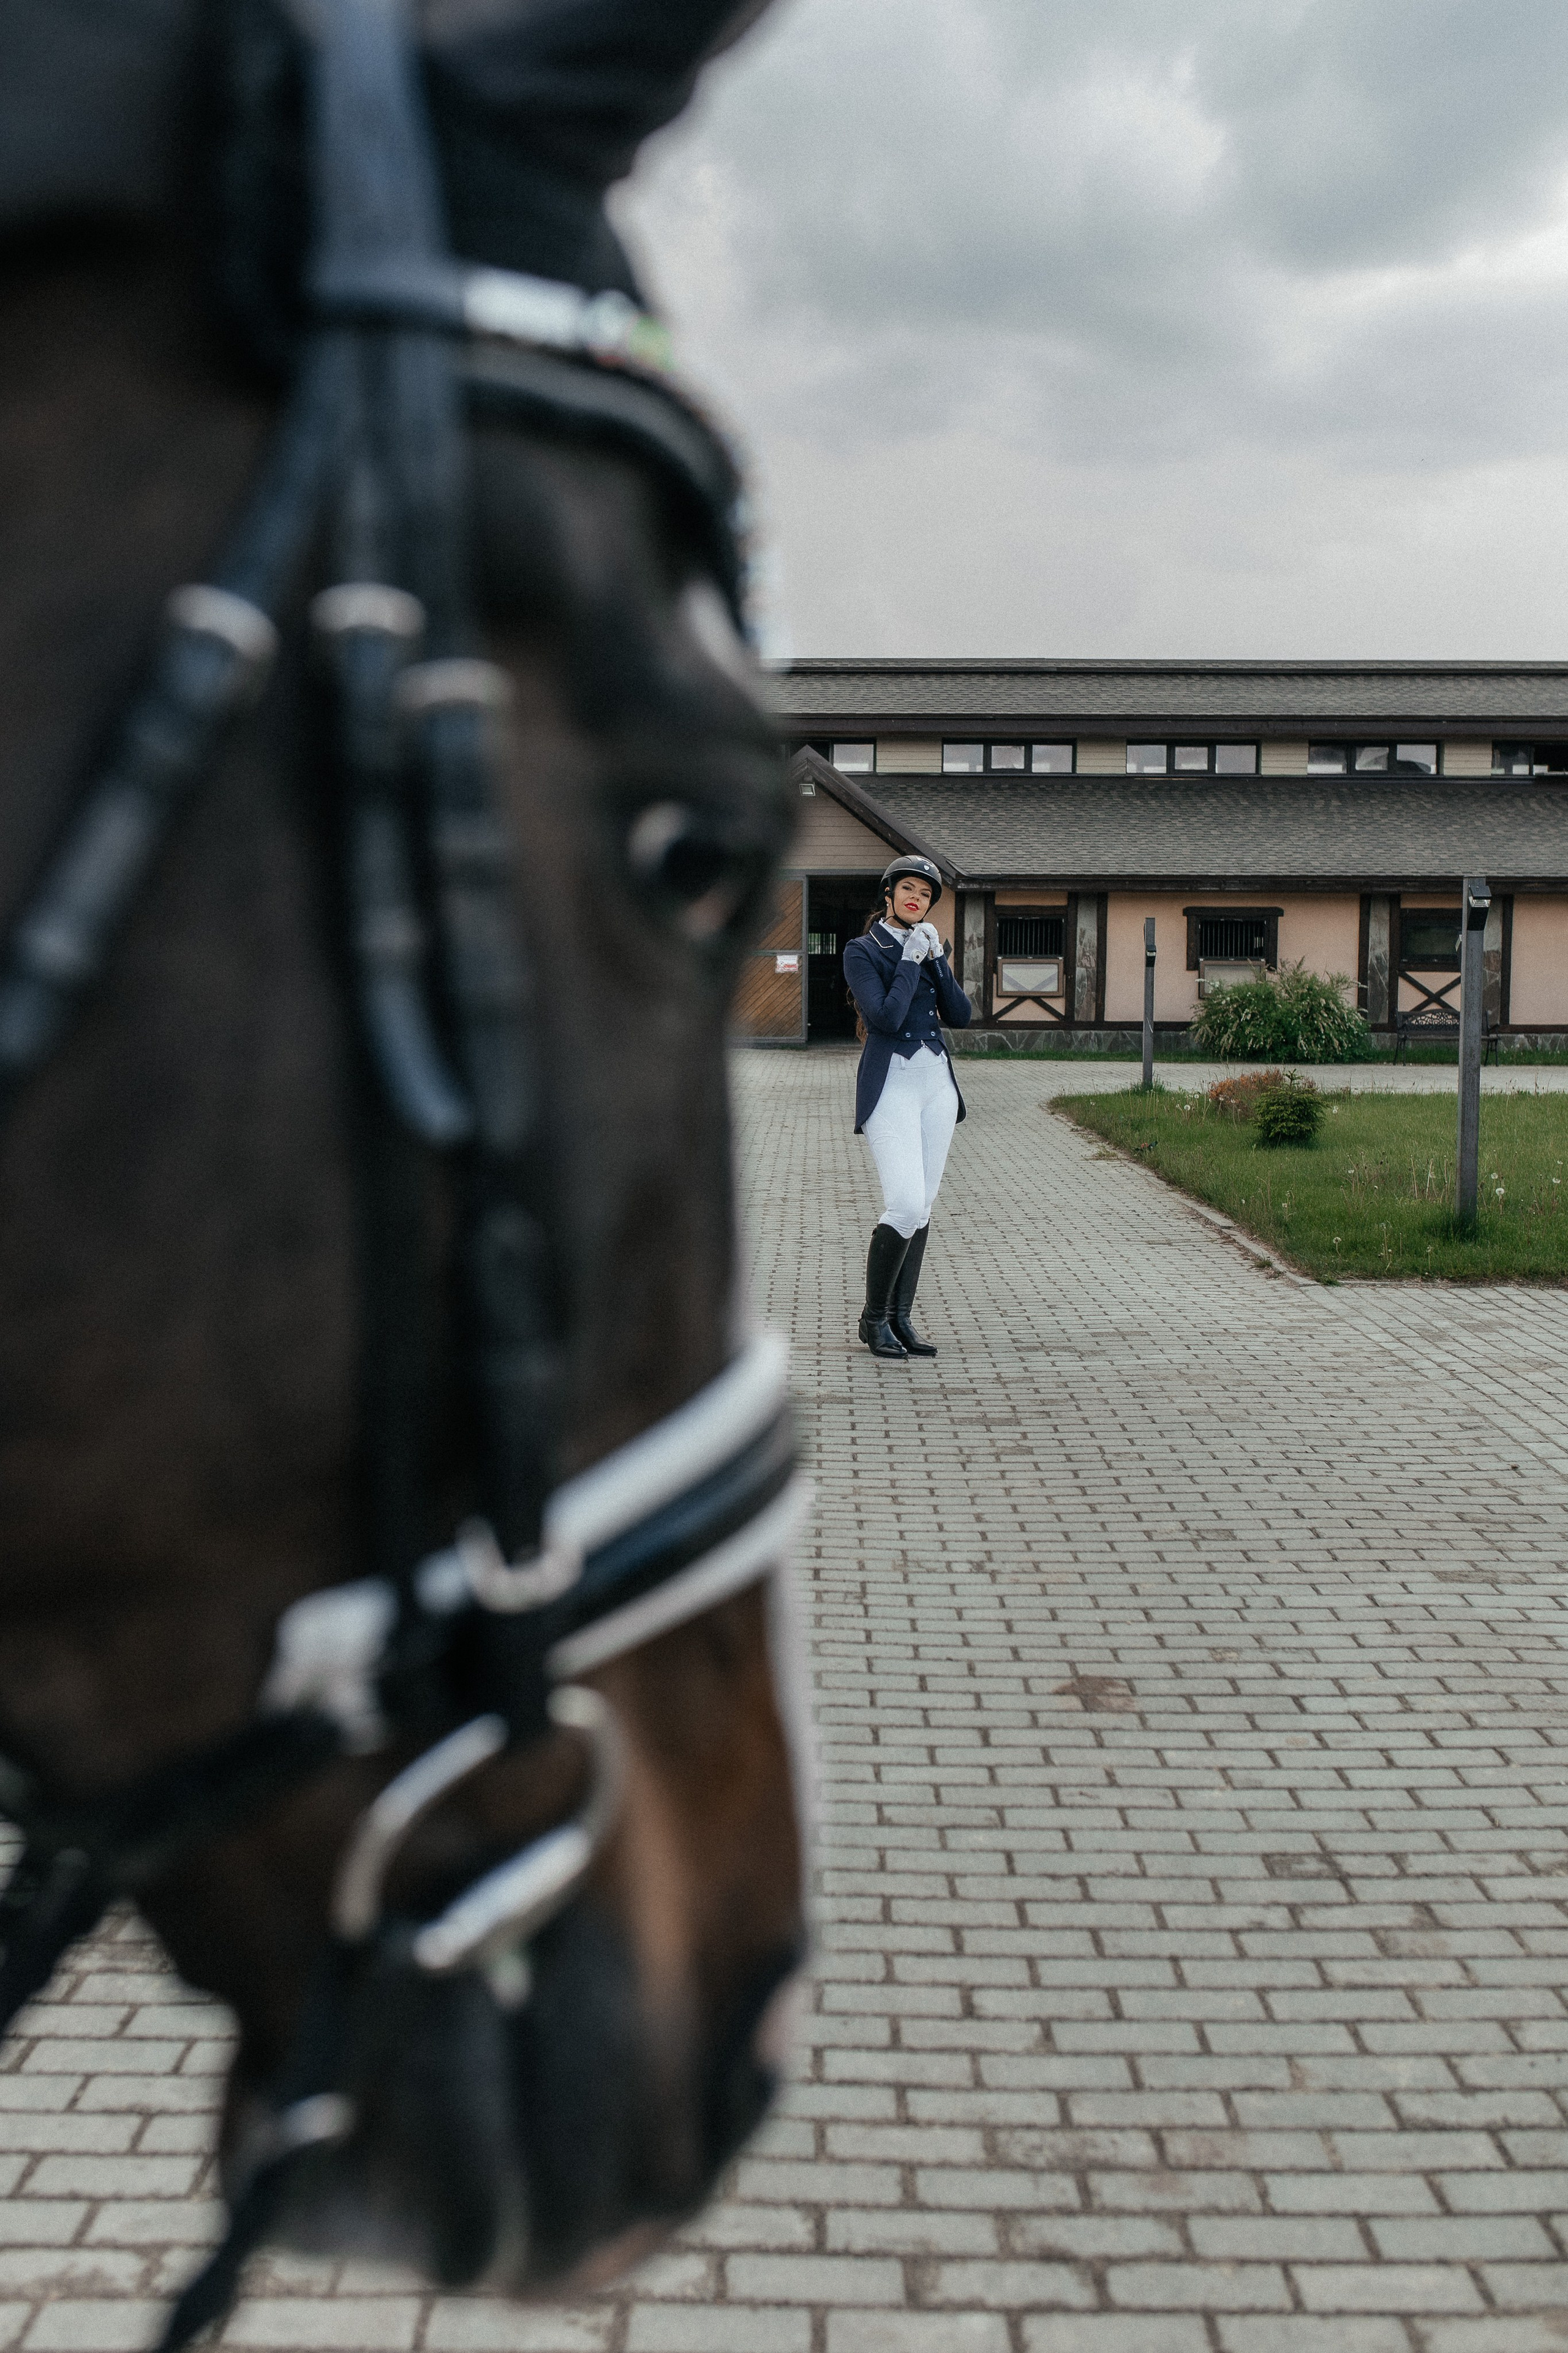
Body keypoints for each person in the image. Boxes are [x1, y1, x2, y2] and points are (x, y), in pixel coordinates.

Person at [842, 856, 973, 1361]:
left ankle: (900, 1318)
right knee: (905, 1203)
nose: (917, 898)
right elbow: (886, 1017)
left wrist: (937, 959)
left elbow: (960, 1014)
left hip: (936, 1085)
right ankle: (873, 1319)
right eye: (909, 889)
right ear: (889, 894)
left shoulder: (928, 945)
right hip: (890, 1085)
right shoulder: (862, 950)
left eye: (925, 893)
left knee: (923, 1206)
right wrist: (911, 960)